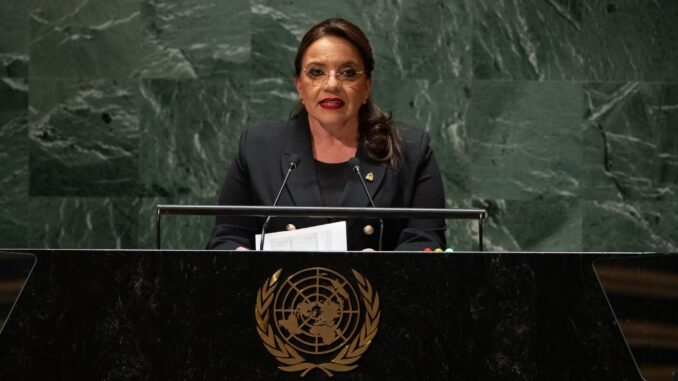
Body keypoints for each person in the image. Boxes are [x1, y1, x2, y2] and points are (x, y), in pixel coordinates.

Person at [206, 17, 446, 251]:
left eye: (348, 72)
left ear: (367, 86)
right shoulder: (258, 149)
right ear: (299, 85)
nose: (331, 84)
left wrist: (385, 270)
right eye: (316, 72)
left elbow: (425, 240)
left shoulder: (412, 150)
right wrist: (238, 256)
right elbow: (227, 236)